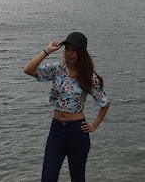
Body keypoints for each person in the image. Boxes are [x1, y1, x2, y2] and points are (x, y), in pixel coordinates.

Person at [23, 32, 111, 182]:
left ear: (81, 52)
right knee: (47, 178)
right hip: (56, 131)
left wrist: (94, 125)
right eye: (67, 49)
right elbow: (28, 70)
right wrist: (47, 51)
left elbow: (105, 102)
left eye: (74, 50)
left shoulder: (89, 76)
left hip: (77, 131)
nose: (70, 53)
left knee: (77, 178)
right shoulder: (57, 69)